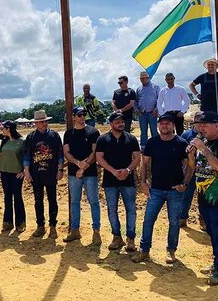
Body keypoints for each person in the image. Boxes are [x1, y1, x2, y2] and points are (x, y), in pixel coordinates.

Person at [132, 113, 192, 264]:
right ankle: (144, 251)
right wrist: (143, 182)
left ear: (173, 125)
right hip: (156, 189)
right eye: (162, 124)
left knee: (174, 222)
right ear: (158, 125)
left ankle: (171, 251)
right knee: (148, 220)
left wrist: (184, 184)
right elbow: (144, 163)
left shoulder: (181, 143)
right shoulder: (152, 142)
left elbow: (190, 166)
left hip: (175, 190)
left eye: (168, 124)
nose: (164, 126)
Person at [188, 111, 218, 286]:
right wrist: (191, 155)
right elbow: (194, 167)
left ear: (216, 125)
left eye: (205, 125)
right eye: (199, 126)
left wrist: (203, 149)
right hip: (203, 196)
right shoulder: (206, 142)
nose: (201, 128)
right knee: (211, 232)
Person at [96, 111, 141, 251]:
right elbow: (99, 158)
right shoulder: (102, 139)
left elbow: (137, 157)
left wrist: (127, 170)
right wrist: (113, 171)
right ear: (111, 124)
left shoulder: (131, 139)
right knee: (112, 210)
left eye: (122, 122)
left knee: (131, 210)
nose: (121, 124)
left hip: (128, 180)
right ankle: (117, 237)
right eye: (117, 122)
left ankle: (130, 238)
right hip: (110, 180)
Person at [63, 106, 101, 245]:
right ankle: (75, 230)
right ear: (73, 117)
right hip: (74, 173)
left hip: (89, 173)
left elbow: (95, 152)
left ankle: (96, 232)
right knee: (74, 201)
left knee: (94, 201)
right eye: (79, 115)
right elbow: (66, 152)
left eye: (83, 114)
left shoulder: (93, 132)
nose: (82, 117)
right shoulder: (68, 134)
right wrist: (77, 163)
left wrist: (83, 166)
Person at [23, 110, 64, 239]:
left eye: (45, 121)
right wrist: (27, 172)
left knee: (52, 200)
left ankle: (53, 226)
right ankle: (40, 225)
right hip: (36, 175)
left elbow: (60, 154)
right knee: (38, 200)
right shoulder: (30, 137)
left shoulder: (54, 135)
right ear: (36, 123)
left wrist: (60, 169)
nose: (44, 123)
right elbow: (27, 156)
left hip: (51, 173)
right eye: (41, 121)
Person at [0, 120, 26, 233]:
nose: (2, 130)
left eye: (3, 128)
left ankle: (20, 222)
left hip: (16, 173)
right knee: (7, 197)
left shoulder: (21, 141)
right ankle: (8, 222)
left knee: (17, 197)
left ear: (8, 129)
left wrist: (24, 170)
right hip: (5, 172)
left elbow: (26, 157)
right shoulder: (4, 141)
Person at [179, 111, 204, 228]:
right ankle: (182, 217)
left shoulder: (208, 135)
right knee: (186, 195)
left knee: (204, 197)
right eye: (198, 122)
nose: (201, 125)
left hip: (204, 172)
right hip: (189, 171)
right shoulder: (186, 135)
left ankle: (203, 220)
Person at [135, 71, 160, 151]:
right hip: (142, 113)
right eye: (140, 79)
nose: (142, 80)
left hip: (152, 113)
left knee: (154, 130)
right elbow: (135, 101)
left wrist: (156, 109)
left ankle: (156, 145)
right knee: (143, 131)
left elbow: (159, 100)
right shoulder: (139, 89)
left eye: (143, 78)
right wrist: (136, 109)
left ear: (147, 78)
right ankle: (143, 147)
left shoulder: (155, 87)